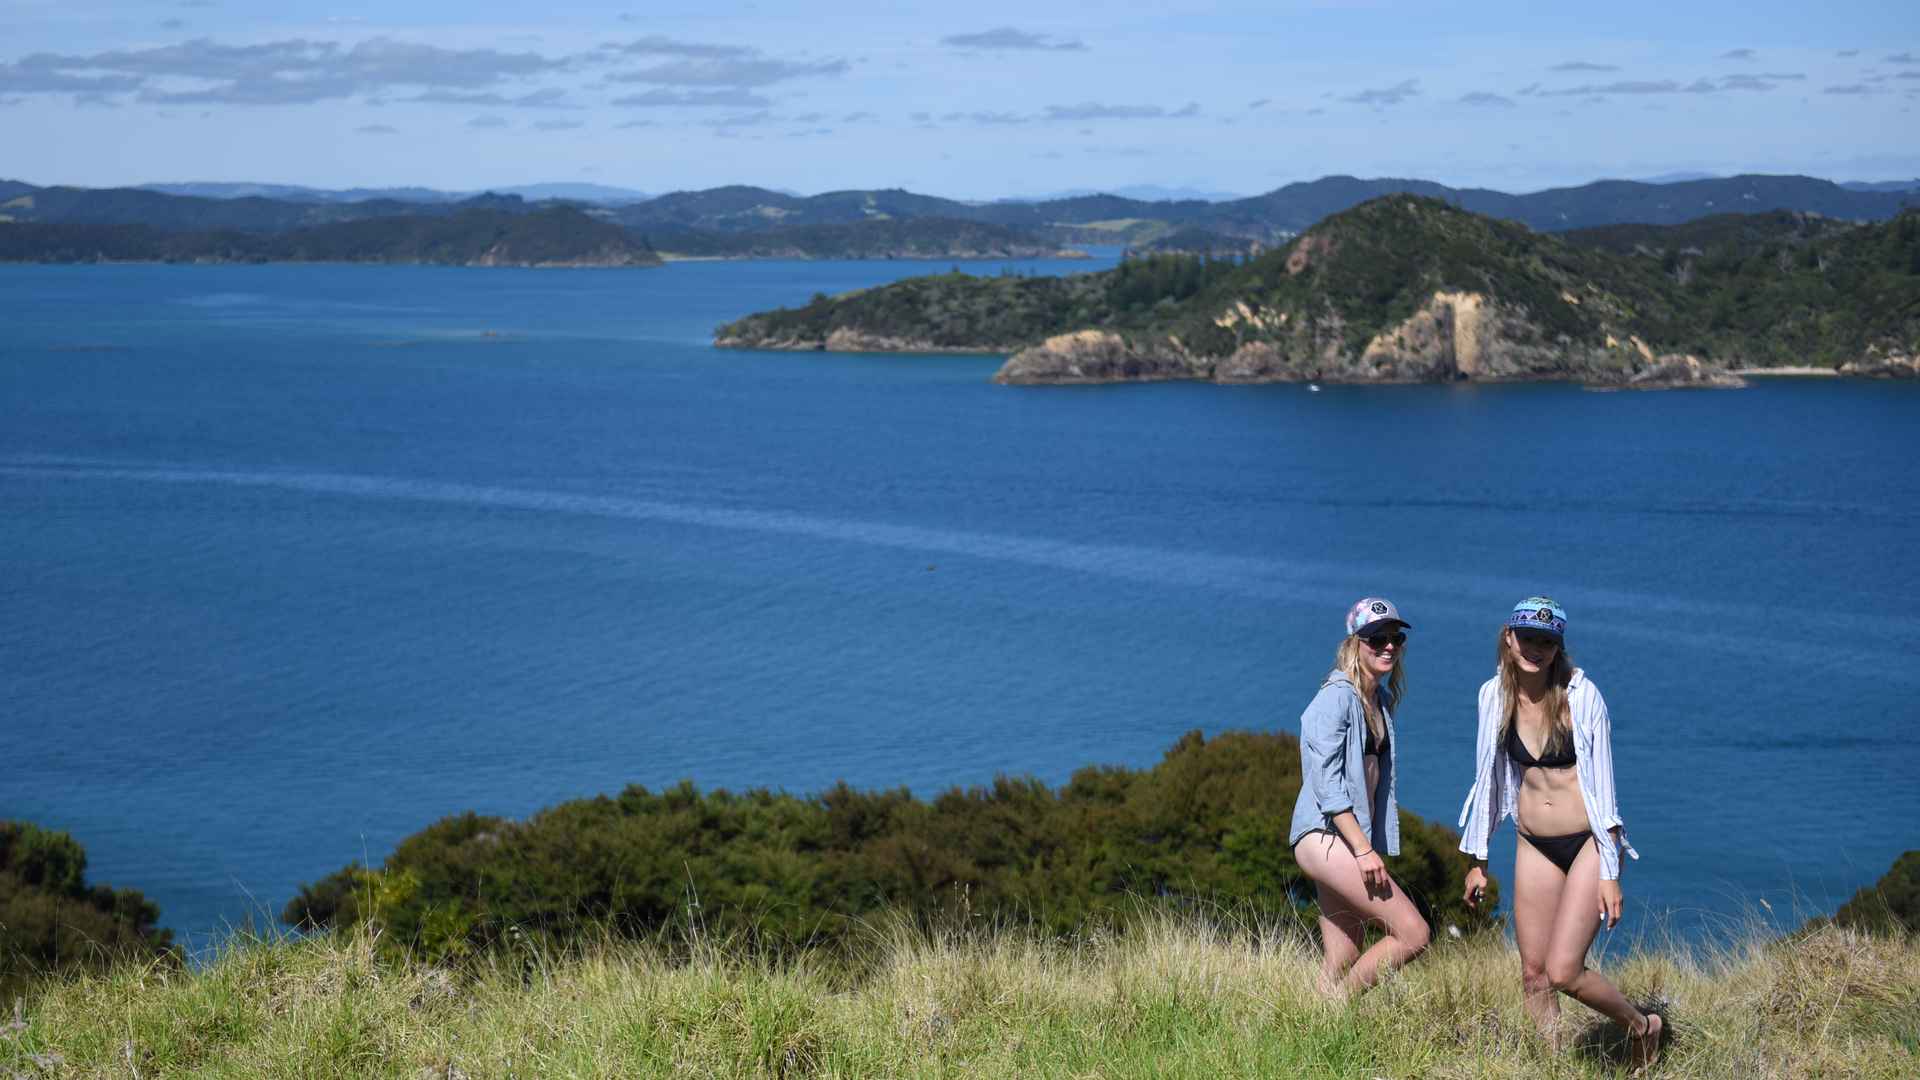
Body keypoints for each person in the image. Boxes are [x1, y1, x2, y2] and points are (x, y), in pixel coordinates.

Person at [1458, 597, 1663, 1069]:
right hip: (1532, 842)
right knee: (1533, 975)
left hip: (1588, 843)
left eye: (1547, 641)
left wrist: (1610, 873)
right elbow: (1486, 779)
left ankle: (1641, 1026)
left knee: (1564, 971)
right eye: (1528, 637)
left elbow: (1605, 793)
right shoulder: (1493, 696)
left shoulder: (1582, 697)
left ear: (1558, 647)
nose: (1536, 648)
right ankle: (1555, 1067)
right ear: (1509, 638)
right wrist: (1478, 858)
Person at [1288, 597, 1431, 996]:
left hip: (1345, 838)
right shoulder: (1336, 697)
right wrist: (1364, 849)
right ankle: (1339, 1008)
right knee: (1413, 933)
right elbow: (1326, 782)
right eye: (1376, 638)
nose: (1388, 646)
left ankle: (1311, 1026)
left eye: (1395, 638)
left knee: (1344, 954)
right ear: (1355, 643)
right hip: (1325, 835)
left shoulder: (1378, 701)